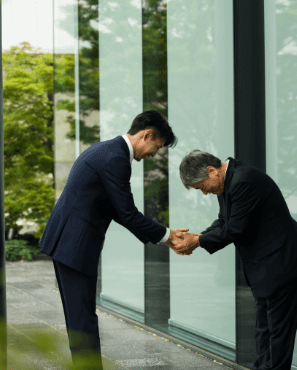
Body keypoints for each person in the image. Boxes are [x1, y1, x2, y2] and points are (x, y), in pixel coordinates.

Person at [38, 110, 189, 369]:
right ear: (147, 135)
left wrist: (163, 235)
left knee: (79, 318)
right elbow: (128, 213)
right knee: (82, 320)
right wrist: (166, 236)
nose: (154, 154)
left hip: (68, 242)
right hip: (75, 245)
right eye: (157, 146)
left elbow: (116, 210)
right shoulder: (115, 158)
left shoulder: (107, 150)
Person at [175, 150, 297, 370]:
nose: (204, 193)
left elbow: (235, 229)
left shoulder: (243, 181)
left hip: (281, 264)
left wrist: (196, 242)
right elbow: (224, 221)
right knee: (264, 330)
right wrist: (197, 238)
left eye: (201, 187)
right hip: (265, 267)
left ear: (211, 171)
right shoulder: (227, 180)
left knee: (278, 334)